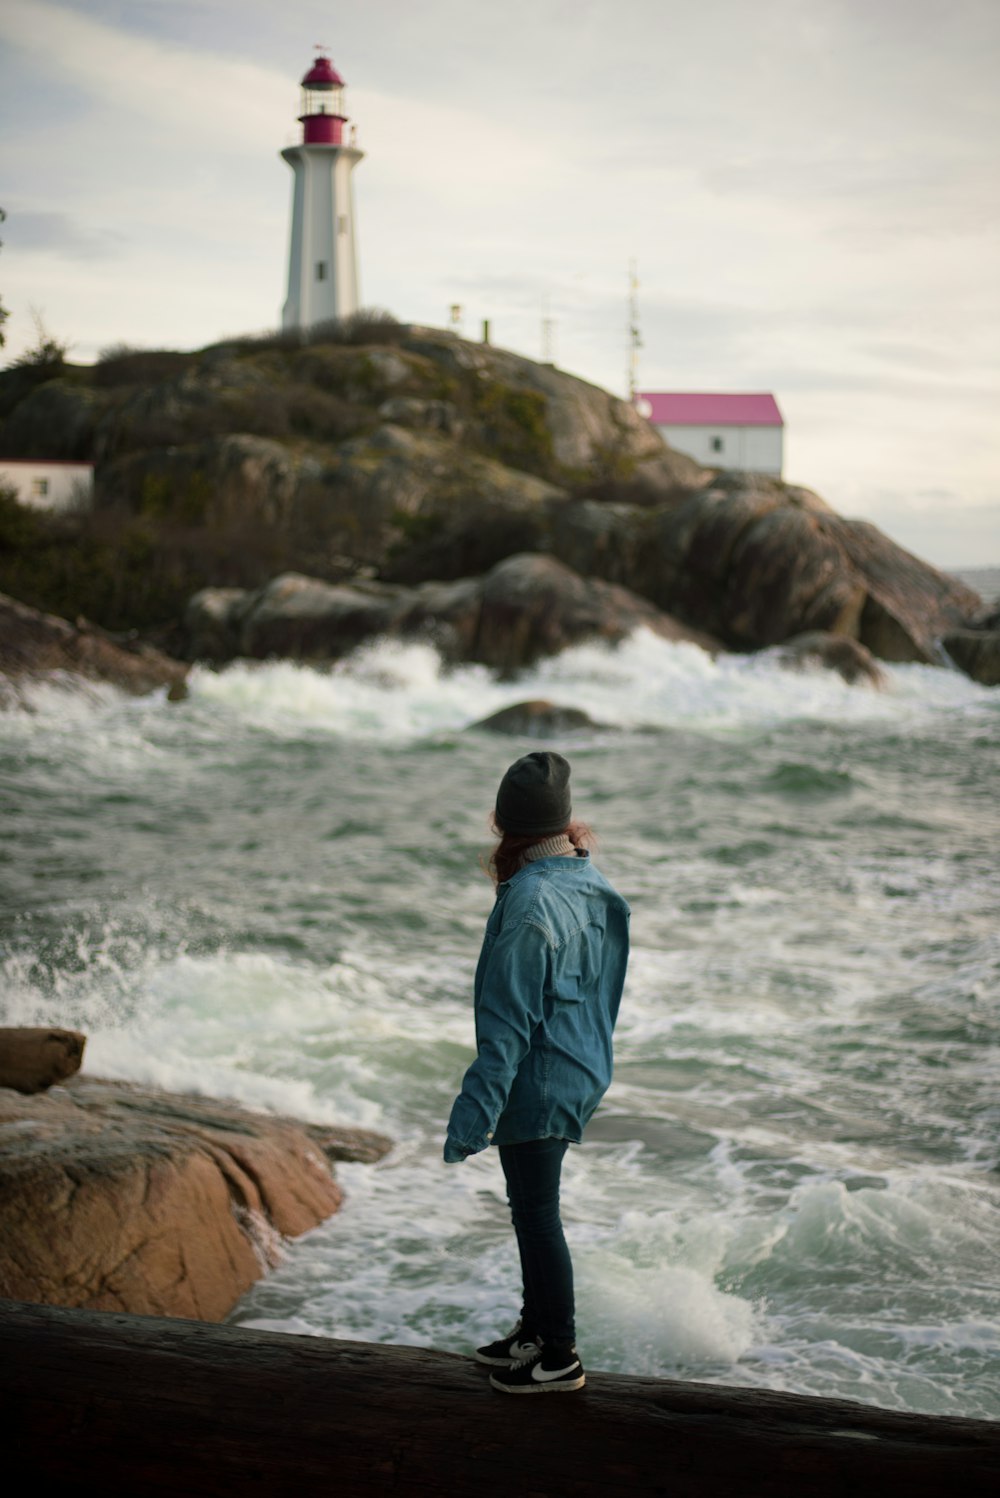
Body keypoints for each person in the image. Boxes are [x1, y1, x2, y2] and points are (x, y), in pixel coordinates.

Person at [444, 751, 630, 1394]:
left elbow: (508, 1031)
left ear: (502, 824)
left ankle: (560, 1354)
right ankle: (533, 1329)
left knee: (537, 1214)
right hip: (579, 1065)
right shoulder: (590, 881)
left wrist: (472, 1118)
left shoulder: (526, 905)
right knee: (532, 1210)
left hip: (539, 1078)